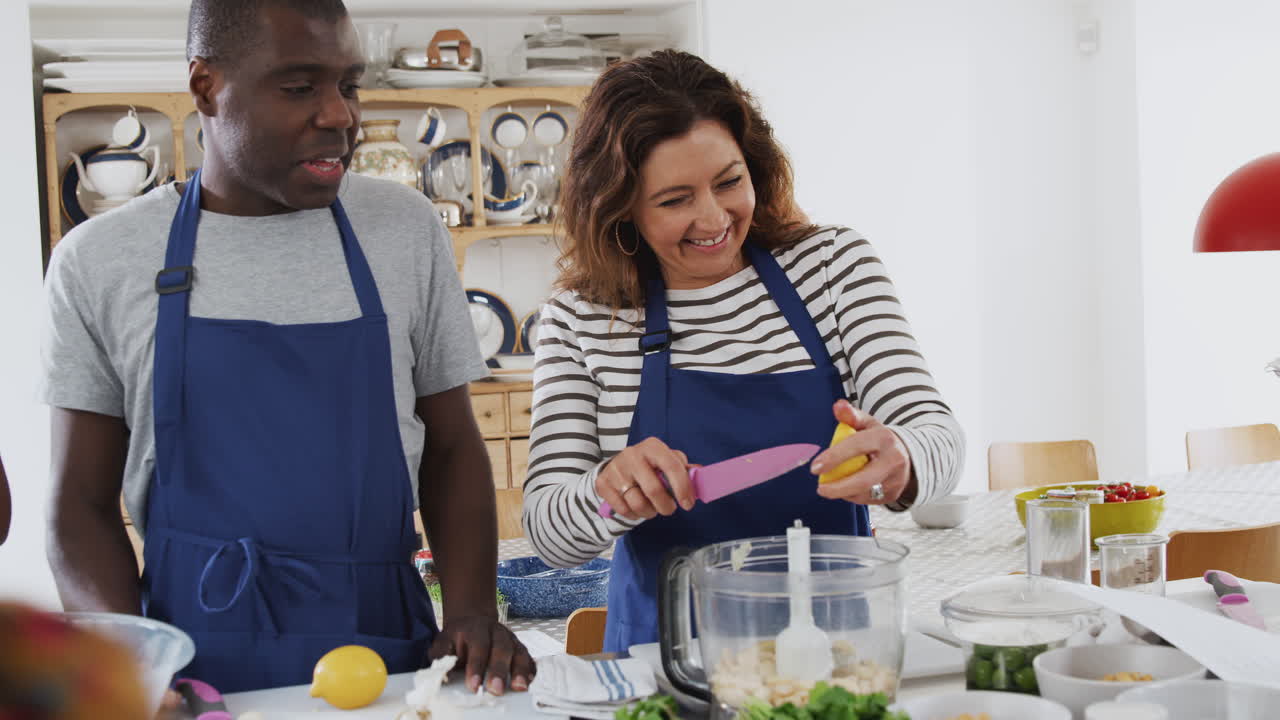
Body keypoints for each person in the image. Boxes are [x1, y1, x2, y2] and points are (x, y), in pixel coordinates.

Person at [39, 0, 532, 694]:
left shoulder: (403, 229)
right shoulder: (100, 261)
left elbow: (452, 446)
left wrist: (474, 611)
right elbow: (78, 506)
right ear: (206, 87)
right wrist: (129, 674)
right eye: (300, 87)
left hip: (390, 662)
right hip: (192, 671)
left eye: (349, 85)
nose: (340, 115)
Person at [522, 51, 965, 652]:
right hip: (664, 660)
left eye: (729, 182)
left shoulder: (832, 268)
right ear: (619, 204)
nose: (713, 217)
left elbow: (936, 434)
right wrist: (609, 490)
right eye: (675, 199)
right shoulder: (580, 319)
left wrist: (903, 460)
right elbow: (548, 530)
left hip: (836, 652)